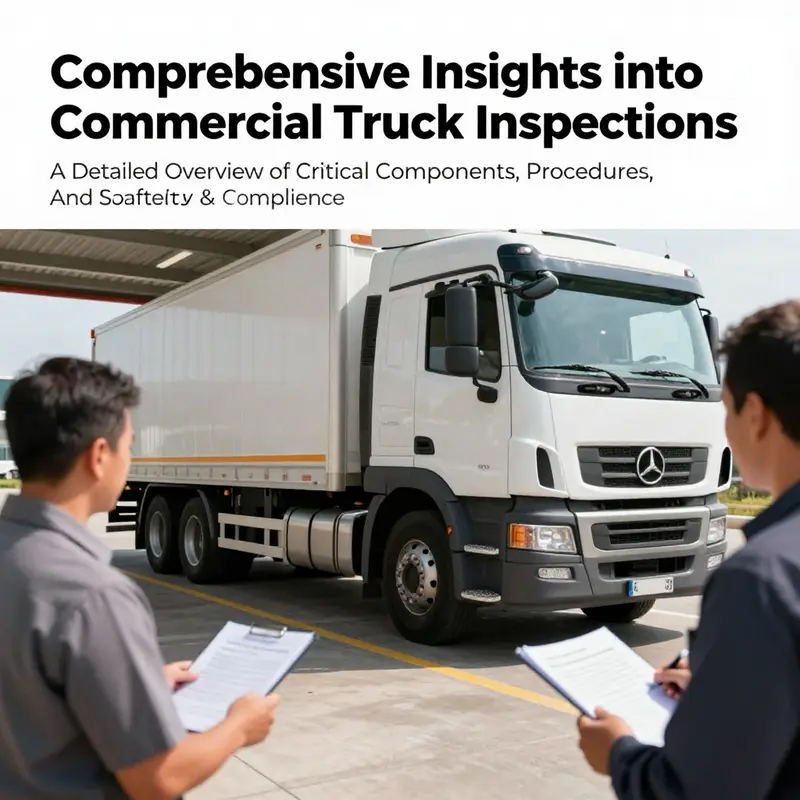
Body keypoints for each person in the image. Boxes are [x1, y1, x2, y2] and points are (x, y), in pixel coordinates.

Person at [0, 357, 279, 799]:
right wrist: (239, 726)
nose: (130, 460)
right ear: (98, 456)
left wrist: (135, 680)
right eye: (129, 446)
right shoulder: (94, 595)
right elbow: (157, 778)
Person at [577, 299, 800, 799]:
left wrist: (618, 753)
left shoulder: (761, 579)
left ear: (757, 415)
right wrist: (726, 679)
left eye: (726, 410)